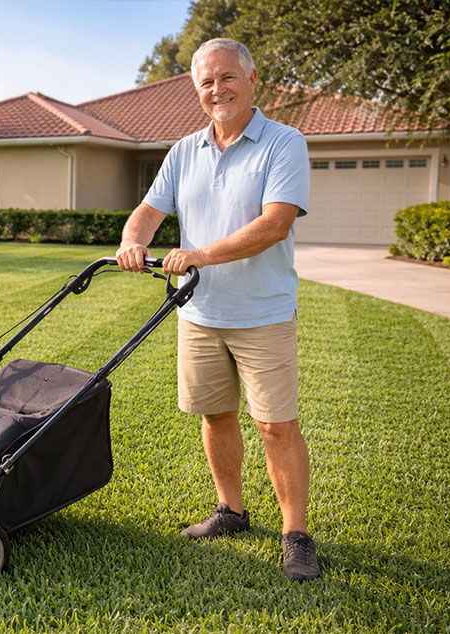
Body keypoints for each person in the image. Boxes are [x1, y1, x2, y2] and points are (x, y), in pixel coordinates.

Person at [114, 38, 320, 581]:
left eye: (227, 77)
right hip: (199, 311)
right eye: (206, 82)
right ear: (196, 89)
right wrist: (133, 240)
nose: (217, 89)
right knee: (215, 415)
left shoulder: (284, 142)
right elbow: (147, 211)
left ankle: (295, 534)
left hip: (263, 312)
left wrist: (199, 253)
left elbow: (276, 223)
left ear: (252, 80)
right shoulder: (184, 150)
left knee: (275, 426)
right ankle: (231, 510)